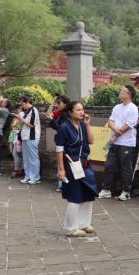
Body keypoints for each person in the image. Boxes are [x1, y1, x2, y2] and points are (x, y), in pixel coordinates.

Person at [56, 101, 98, 237]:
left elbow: (91, 141)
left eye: (82, 109)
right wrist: (61, 169)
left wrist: (87, 124)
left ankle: (84, 223)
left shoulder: (82, 125)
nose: (81, 112)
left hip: (85, 163)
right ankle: (70, 228)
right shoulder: (64, 127)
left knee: (88, 193)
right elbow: (59, 150)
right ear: (70, 112)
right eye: (78, 110)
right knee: (75, 195)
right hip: (71, 162)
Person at [99, 85, 139, 202]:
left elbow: (128, 126)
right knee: (109, 166)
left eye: (123, 91)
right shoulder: (117, 107)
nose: (121, 92)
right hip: (115, 143)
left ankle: (126, 192)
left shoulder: (133, 108)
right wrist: (115, 131)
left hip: (127, 143)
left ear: (129, 95)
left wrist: (115, 135)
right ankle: (106, 190)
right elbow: (110, 120)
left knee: (126, 168)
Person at [14, 95, 42, 185]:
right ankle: (28, 176)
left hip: (32, 137)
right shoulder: (27, 111)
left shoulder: (34, 111)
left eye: (22, 104)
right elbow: (24, 124)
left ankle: (35, 177)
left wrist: (21, 119)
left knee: (33, 158)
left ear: (27, 102)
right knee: (26, 158)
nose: (21, 106)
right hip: (25, 136)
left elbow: (31, 125)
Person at [46, 94, 71, 191]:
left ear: (65, 103)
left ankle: (63, 185)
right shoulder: (60, 113)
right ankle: (62, 184)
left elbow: (60, 129)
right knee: (61, 163)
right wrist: (53, 101)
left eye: (59, 103)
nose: (57, 105)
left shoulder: (66, 114)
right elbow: (48, 113)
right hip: (59, 140)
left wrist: (52, 120)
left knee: (63, 163)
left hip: (64, 142)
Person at [9, 106, 25, 179]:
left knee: (15, 153)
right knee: (18, 153)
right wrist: (14, 120)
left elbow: (21, 126)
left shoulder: (22, 115)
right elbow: (11, 127)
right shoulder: (17, 116)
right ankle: (22, 169)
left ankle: (16, 170)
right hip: (15, 135)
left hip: (18, 135)